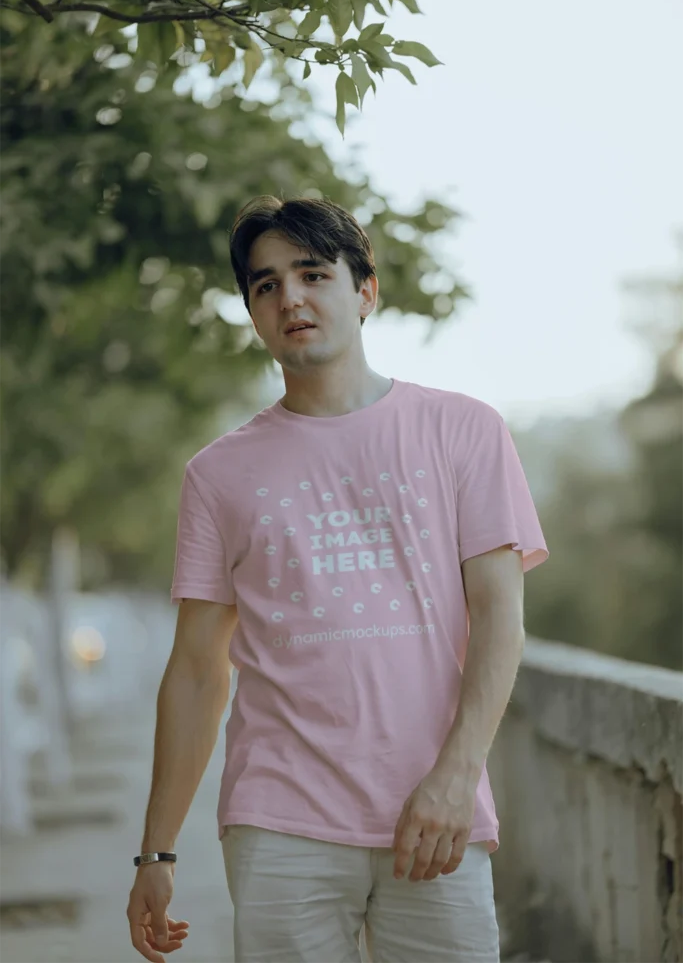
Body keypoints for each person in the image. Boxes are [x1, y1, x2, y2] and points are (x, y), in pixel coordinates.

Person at [127, 194, 549, 963]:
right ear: (251, 311)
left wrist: (457, 777)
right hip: (279, 821)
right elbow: (194, 672)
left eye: (312, 273)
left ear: (364, 291)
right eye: (265, 284)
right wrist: (155, 853)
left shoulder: (462, 431)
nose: (289, 296)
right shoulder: (217, 475)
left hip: (436, 811)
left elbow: (499, 620)